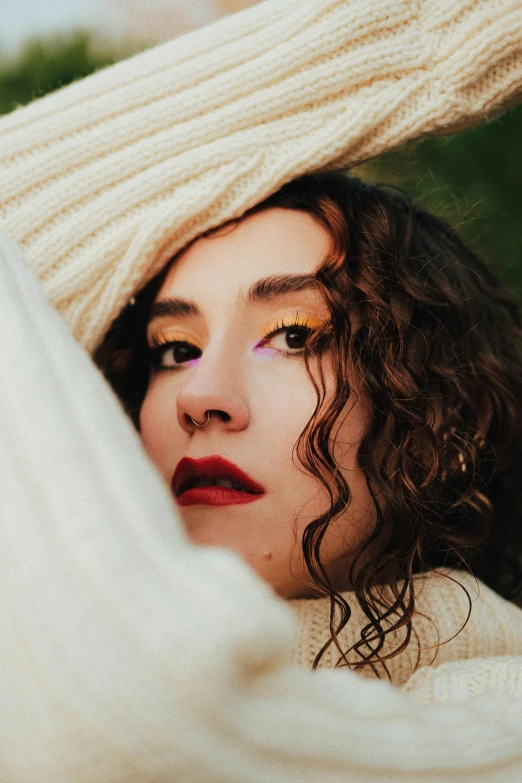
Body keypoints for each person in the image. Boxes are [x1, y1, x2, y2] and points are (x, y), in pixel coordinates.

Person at [0, 0, 522, 780]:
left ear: (445, 419)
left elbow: (135, 725)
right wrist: (435, 36)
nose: (201, 395)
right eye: (173, 348)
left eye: (294, 335)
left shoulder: (495, 716)